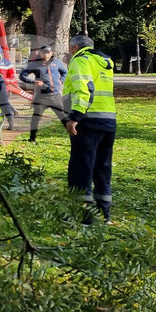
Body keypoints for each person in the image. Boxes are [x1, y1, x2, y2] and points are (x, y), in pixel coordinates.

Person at [62, 34, 116, 225]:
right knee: (102, 168)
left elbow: (84, 90)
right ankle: (105, 212)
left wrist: (75, 117)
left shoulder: (81, 60)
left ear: (75, 48)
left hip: (87, 121)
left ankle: (83, 215)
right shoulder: (104, 63)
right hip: (108, 121)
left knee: (81, 168)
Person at [19, 45, 69, 142]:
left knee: (63, 117)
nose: (46, 55)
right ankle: (32, 138)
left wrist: (61, 80)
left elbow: (65, 72)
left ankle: (73, 136)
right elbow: (22, 76)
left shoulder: (56, 62)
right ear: (40, 53)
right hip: (42, 97)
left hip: (55, 96)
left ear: (51, 53)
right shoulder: (35, 64)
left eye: (48, 53)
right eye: (44, 53)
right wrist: (34, 82)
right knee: (36, 117)